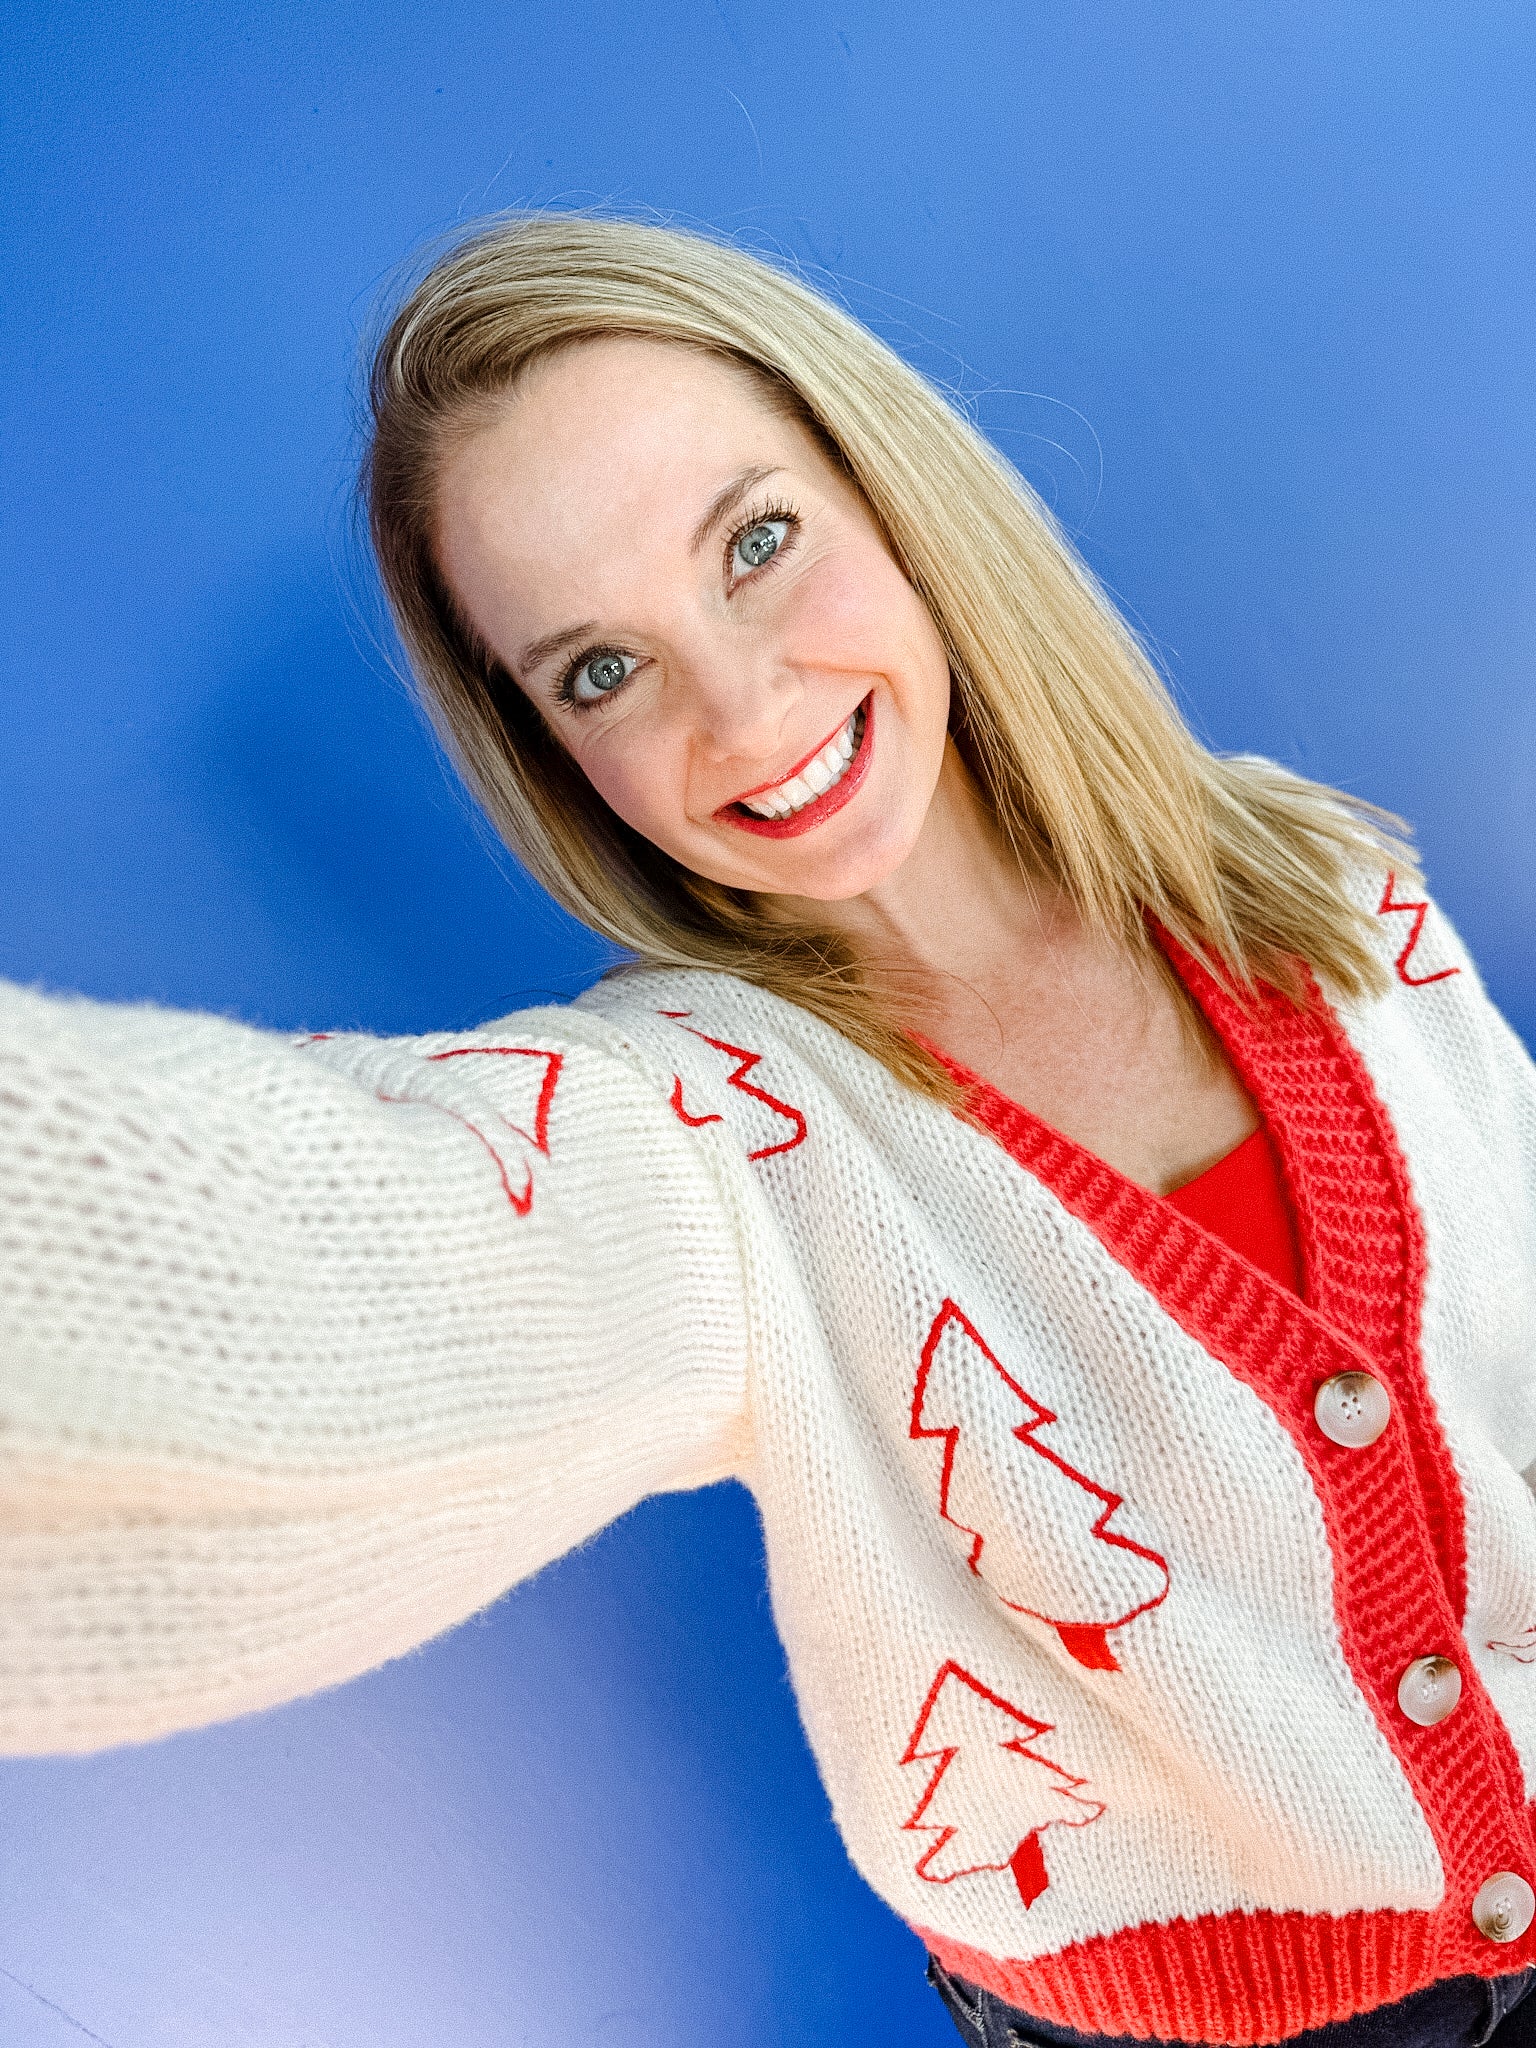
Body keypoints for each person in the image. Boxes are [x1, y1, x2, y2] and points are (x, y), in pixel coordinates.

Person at [3, 213, 1535, 2048]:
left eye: (756, 543)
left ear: (894, 494)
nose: (741, 707)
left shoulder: (1322, 882)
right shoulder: (703, 1132)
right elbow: (313, 1257)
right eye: (599, 670)